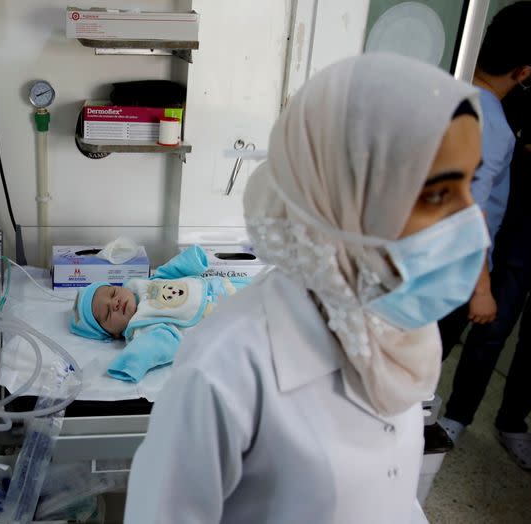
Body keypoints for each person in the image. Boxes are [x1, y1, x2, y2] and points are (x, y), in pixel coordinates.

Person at [122, 53, 486, 523]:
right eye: (437, 193)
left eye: (471, 185)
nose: (472, 222)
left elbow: (391, 489)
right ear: (341, 197)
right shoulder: (226, 370)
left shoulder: (398, 328)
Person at [439, 36, 531, 471]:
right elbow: (495, 149)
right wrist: (530, 153)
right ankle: (456, 416)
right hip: (523, 220)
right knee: (491, 326)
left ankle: (513, 422)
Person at [438, 1, 531, 359]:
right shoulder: (491, 124)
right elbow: (468, 211)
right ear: (525, 71)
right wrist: (481, 289)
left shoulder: (448, 90)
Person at [69, 245, 250, 382]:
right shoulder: (143, 327)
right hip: (225, 318)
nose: (115, 304)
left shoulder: (144, 284)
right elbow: (158, 345)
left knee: (269, 285)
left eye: (113, 293)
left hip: (223, 285)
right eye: (108, 313)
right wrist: (130, 363)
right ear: (113, 334)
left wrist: (192, 260)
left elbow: (170, 272)